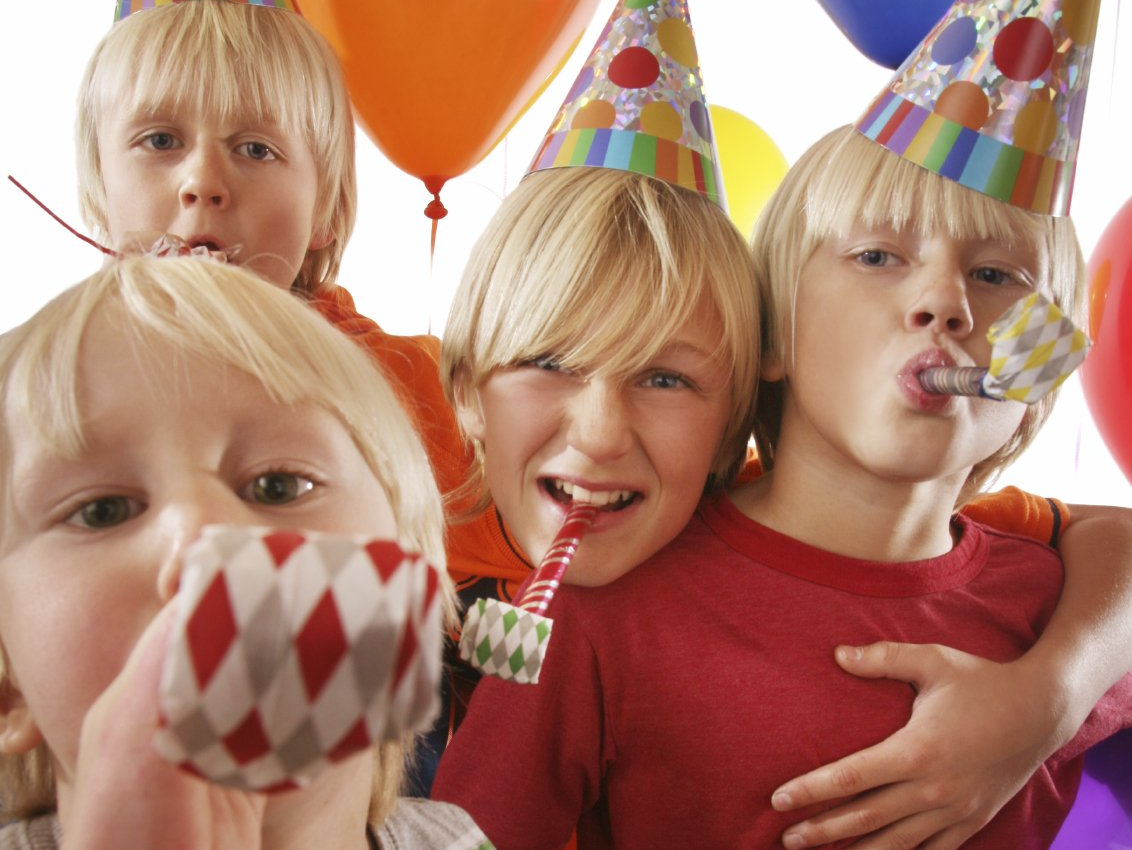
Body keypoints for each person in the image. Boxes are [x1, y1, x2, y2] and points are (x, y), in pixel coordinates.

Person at [429, 123, 1132, 849]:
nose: (945, 302)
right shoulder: (600, 604)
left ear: (1051, 361)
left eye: (998, 276)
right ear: (773, 330)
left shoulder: (1065, 607)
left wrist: (1051, 697)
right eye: (876, 256)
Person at [0, 256, 491, 850]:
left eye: (278, 486)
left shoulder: (459, 838)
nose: (203, 540)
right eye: (101, 510)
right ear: (8, 688)